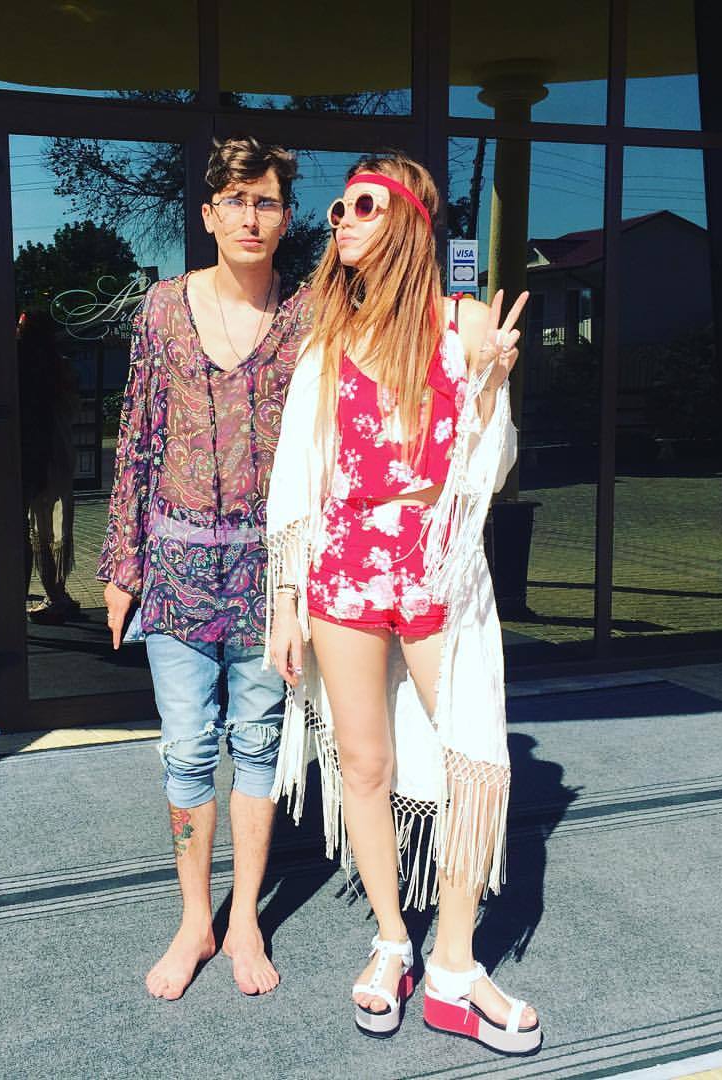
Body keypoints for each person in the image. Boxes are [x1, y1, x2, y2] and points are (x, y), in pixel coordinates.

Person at [267, 153, 541, 1055]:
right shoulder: (330, 332)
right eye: (339, 207)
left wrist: (490, 384)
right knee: (362, 763)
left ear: (413, 221)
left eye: (364, 204)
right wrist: (285, 599)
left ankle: (454, 964)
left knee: (474, 760)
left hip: (435, 566)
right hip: (344, 565)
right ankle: (393, 939)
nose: (341, 219)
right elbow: (301, 471)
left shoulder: (463, 323)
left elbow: (493, 467)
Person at [98, 136, 310, 1001]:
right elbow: (137, 435)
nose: (251, 217)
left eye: (267, 201)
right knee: (186, 749)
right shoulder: (162, 308)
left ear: (286, 217)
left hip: (271, 573)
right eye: (236, 201)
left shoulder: (311, 316)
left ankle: (246, 916)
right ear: (209, 214)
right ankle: (195, 920)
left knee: (258, 743)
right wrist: (121, 564)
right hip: (177, 566)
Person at [17, 310, 81, 624]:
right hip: (58, 451)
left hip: (34, 453)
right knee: (53, 524)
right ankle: (57, 594)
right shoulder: (60, 366)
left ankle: (53, 597)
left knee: (34, 527)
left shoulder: (21, 367)